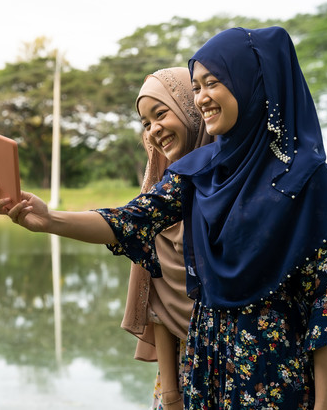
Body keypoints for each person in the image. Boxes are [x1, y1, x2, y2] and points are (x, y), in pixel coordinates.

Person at [0, 26, 327, 409]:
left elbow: (326, 302)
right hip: (205, 369)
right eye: (196, 86)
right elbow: (130, 220)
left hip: (274, 375)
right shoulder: (198, 172)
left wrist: (326, 402)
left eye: (212, 83)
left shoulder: (305, 178)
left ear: (252, 81)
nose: (201, 98)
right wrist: (50, 219)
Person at [126, 67, 213, 410]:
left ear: (190, 109)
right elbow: (159, 308)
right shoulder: (159, 199)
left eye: (160, 113)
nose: (154, 130)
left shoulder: (231, 183)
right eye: (146, 123)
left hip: (245, 369)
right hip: (181, 375)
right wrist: (172, 395)